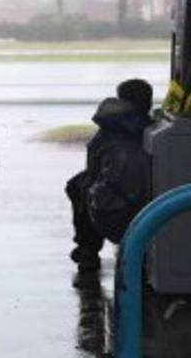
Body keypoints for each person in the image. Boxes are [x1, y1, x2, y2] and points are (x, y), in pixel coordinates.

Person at [65, 79, 153, 280]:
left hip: (109, 212)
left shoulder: (108, 130)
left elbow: (93, 172)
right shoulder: (151, 129)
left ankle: (87, 251)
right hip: (150, 210)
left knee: (78, 187)